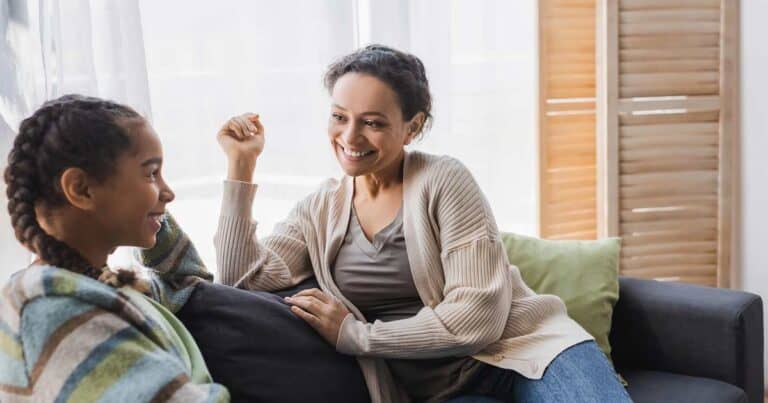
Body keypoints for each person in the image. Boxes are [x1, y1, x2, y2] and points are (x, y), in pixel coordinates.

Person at [0, 95, 229, 402]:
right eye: (150, 173)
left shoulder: (100, 284)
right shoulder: (54, 308)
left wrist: (152, 213)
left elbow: (188, 286)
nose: (169, 193)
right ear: (82, 189)